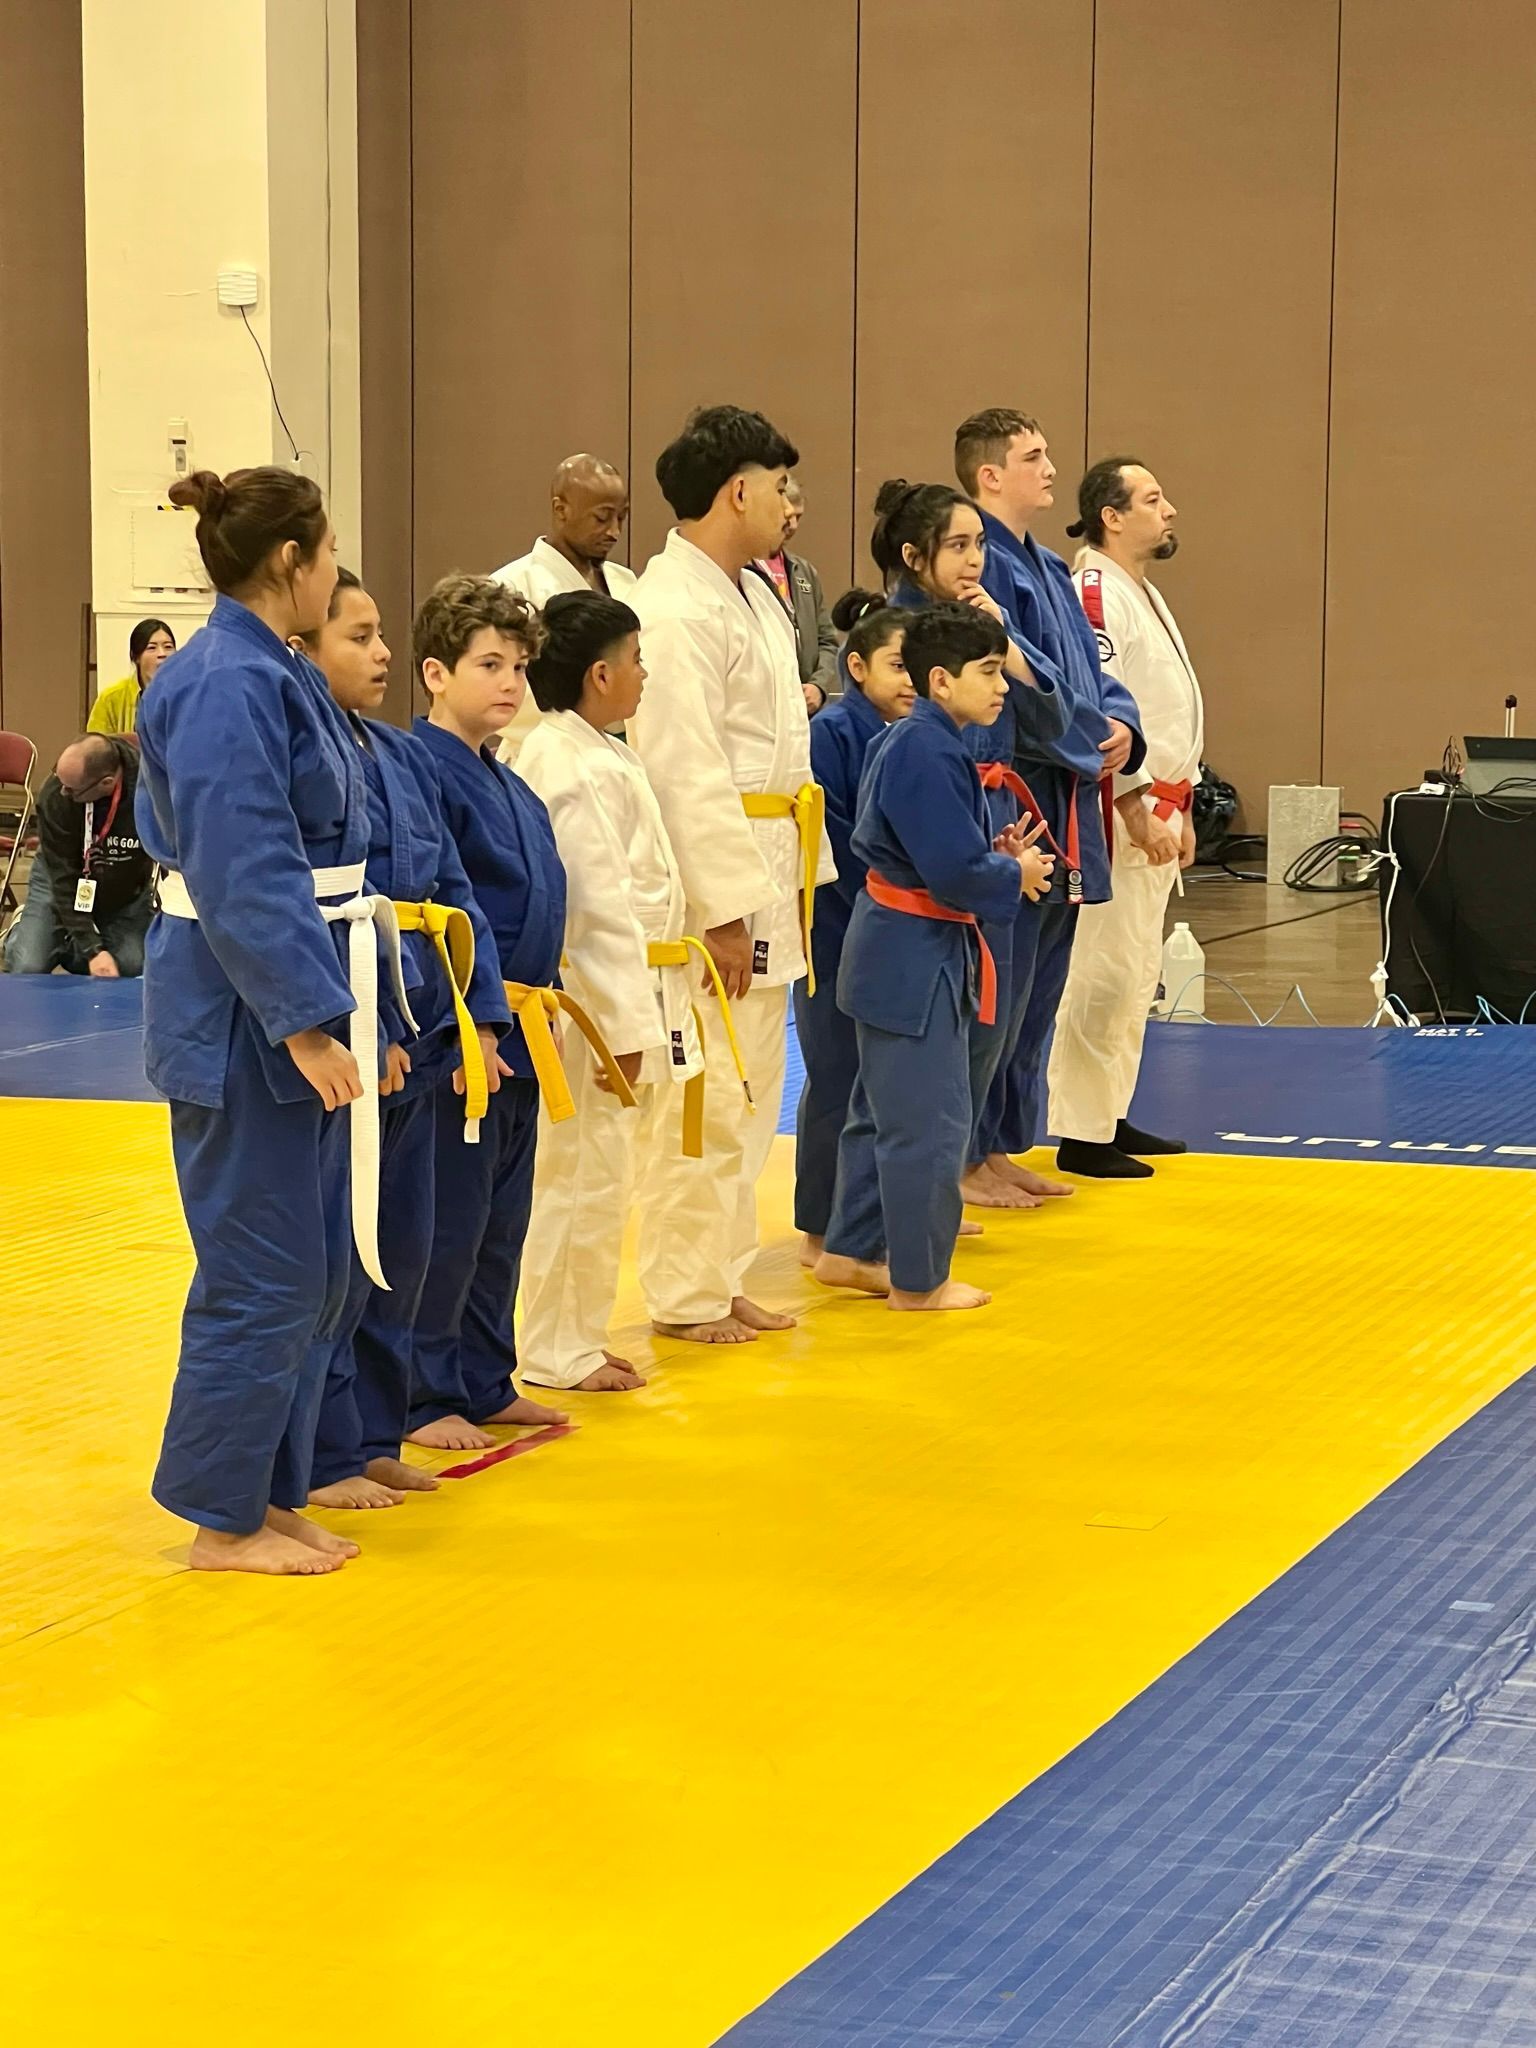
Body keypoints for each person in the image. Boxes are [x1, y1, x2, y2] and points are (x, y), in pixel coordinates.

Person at [135, 465, 374, 1576]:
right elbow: (243, 864)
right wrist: (304, 1022)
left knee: (313, 1267)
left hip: (283, 982)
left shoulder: (268, 669)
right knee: (262, 1269)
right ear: (293, 561)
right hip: (242, 1009)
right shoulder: (226, 680)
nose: (333, 571)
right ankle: (220, 1517)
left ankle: (267, 1493)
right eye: (328, 553)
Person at [296, 569, 514, 1508]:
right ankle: (330, 1451)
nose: (380, 653)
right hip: (364, 1024)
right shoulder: (308, 757)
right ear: (305, 650)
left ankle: (376, 1431)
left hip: (427, 1019)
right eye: (359, 636)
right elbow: (335, 907)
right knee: (351, 1251)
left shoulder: (398, 754)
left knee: (406, 1250)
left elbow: (453, 894)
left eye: (383, 635)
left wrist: (483, 1016)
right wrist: (368, 1025)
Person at [626, 404, 835, 1346]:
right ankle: (684, 1293)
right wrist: (720, 909)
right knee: (702, 1097)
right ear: (737, 490)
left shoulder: (749, 592)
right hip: (721, 888)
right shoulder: (669, 605)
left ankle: (721, 1273)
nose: (793, 504)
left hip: (773, 866)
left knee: (754, 1096)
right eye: (781, 486)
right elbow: (681, 765)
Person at [517, 591, 731, 1392]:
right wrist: (623, 1026)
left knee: (601, 1177)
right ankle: (554, 1348)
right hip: (590, 1004)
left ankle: (575, 1331)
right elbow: (594, 911)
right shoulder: (564, 764)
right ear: (600, 673)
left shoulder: (600, 751)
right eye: (637, 659)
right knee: (579, 1177)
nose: (645, 674)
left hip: (630, 987)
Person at [817, 603, 1053, 1311]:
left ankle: (851, 1250)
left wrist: (994, 857)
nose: (1003, 685)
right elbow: (950, 872)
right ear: (942, 680)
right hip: (911, 955)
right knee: (929, 1120)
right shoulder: (926, 747)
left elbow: (938, 854)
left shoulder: (919, 738)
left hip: (899, 946)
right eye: (989, 672)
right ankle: (920, 1280)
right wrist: (1017, 875)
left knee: (879, 1113)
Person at [954, 406, 1148, 1202]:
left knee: (1037, 986)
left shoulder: (1048, 566)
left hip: (1064, 788)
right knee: (1001, 982)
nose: (1050, 469)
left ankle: (999, 1143)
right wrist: (1081, 726)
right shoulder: (988, 568)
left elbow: (1089, 673)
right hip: (1019, 787)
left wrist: (1124, 726)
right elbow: (1010, 681)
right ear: (989, 474)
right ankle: (966, 1153)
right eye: (1033, 456)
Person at [870, 479, 1072, 1212]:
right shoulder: (901, 637)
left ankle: (984, 1149)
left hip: (996, 819)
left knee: (1010, 1008)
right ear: (913, 554)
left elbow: (1057, 710)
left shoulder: (984, 625)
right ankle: (951, 1168)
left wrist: (1006, 644)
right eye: (957, 545)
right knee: (966, 1022)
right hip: (939, 845)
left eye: (980, 544)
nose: (974, 560)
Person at [407, 574, 569, 1450]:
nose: (508, 682)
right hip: (462, 1032)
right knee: (451, 1214)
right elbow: (436, 910)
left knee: (505, 1216)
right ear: (436, 672)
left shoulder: (515, 785)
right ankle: (425, 1395)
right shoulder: (419, 771)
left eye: (518, 666)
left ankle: (483, 1375)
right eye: (488, 664)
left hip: (524, 1022)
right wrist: (466, 1023)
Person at [1048, 459, 1204, 1176]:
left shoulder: (1141, 591)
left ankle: (1108, 1112)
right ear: (1111, 516)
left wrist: (1185, 802)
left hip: (1158, 802)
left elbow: (1172, 714)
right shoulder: (1094, 592)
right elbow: (1104, 710)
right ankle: (1080, 1131)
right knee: (1103, 968)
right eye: (1151, 499)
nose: (1168, 509)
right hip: (1115, 807)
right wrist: (1135, 802)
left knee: (1138, 970)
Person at [793, 593, 914, 1266]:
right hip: (837, 925)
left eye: (916, 668)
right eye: (897, 665)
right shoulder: (832, 733)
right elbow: (833, 841)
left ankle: (870, 1219)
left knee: (884, 1085)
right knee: (837, 1074)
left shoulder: (913, 734)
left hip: (894, 926)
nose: (909, 681)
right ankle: (820, 1224)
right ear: (858, 666)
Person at [494, 454, 639, 764]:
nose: (614, 531)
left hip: (623, 750)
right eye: (602, 518)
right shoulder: (511, 587)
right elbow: (500, 688)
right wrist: (590, 712)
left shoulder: (625, 582)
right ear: (561, 509)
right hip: (543, 756)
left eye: (621, 518)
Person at [3, 733, 154, 977]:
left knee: (130, 965)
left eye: (72, 790)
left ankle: (69, 942)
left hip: (124, 885)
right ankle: (25, 930)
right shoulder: (55, 794)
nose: (63, 791)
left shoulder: (149, 790)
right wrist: (94, 950)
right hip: (62, 874)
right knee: (29, 966)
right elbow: (63, 877)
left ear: (106, 783)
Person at [752, 477, 840, 712]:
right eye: (787, 516)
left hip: (809, 710)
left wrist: (818, 687)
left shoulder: (804, 571)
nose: (793, 525)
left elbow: (828, 641)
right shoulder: (742, 571)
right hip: (767, 707)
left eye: (798, 517)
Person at [88, 619, 177, 735]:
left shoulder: (189, 696)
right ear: (135, 657)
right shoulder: (111, 699)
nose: (162, 654)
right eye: (151, 648)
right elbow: (96, 748)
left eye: (168, 647)